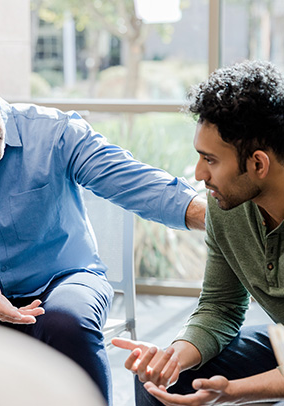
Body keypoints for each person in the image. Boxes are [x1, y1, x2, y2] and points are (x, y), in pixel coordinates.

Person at [0, 52, 205, 406]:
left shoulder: (52, 132)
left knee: (65, 322)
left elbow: (134, 181)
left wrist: (217, 215)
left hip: (67, 278)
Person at [113, 59, 284, 405]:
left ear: (258, 164)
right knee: (158, 381)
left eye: (211, 160)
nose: (199, 174)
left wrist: (233, 392)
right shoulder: (227, 210)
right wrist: (173, 357)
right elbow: (221, 306)